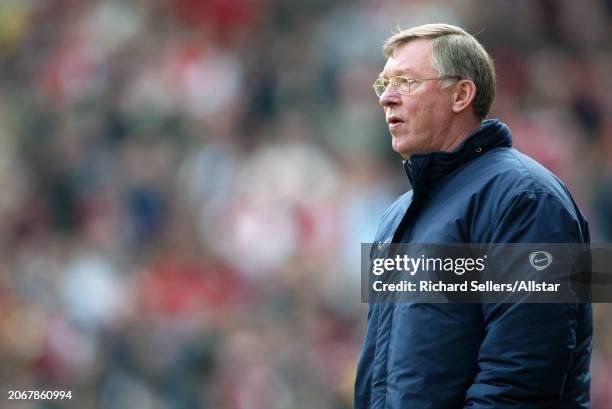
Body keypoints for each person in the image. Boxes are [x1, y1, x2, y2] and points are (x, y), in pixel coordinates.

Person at [354, 24, 592, 409]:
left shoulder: (527, 198)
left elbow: (525, 374)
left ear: (461, 94)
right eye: (383, 85)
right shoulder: (395, 217)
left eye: (405, 81)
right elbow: (381, 379)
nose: (387, 99)